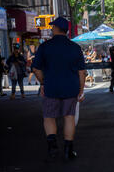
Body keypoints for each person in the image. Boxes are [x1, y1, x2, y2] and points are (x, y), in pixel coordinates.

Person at [31, 17, 87, 163]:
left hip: (51, 87)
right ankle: (68, 151)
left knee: (49, 117)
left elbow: (35, 69)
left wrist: (43, 83)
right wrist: (81, 90)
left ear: (56, 29)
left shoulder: (45, 47)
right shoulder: (75, 48)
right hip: (71, 87)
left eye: (52, 27)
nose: (51, 29)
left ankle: (52, 147)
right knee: (69, 117)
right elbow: (82, 72)